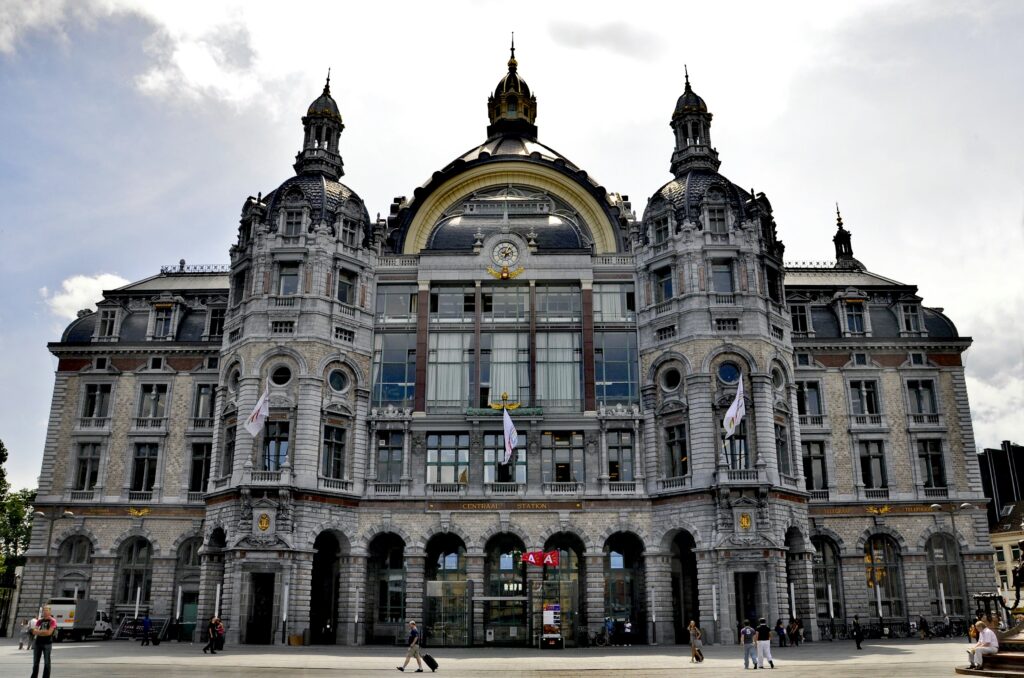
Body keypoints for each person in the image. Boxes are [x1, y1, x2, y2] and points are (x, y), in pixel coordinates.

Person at [30, 605, 57, 678]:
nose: (44, 612)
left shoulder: (52, 621)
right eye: (43, 610)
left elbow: (49, 633)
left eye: (46, 610)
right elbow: (34, 632)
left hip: (47, 643)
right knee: (35, 662)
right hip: (38, 643)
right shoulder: (39, 620)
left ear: (50, 611)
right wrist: (43, 632)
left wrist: (39, 632)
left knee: (47, 662)